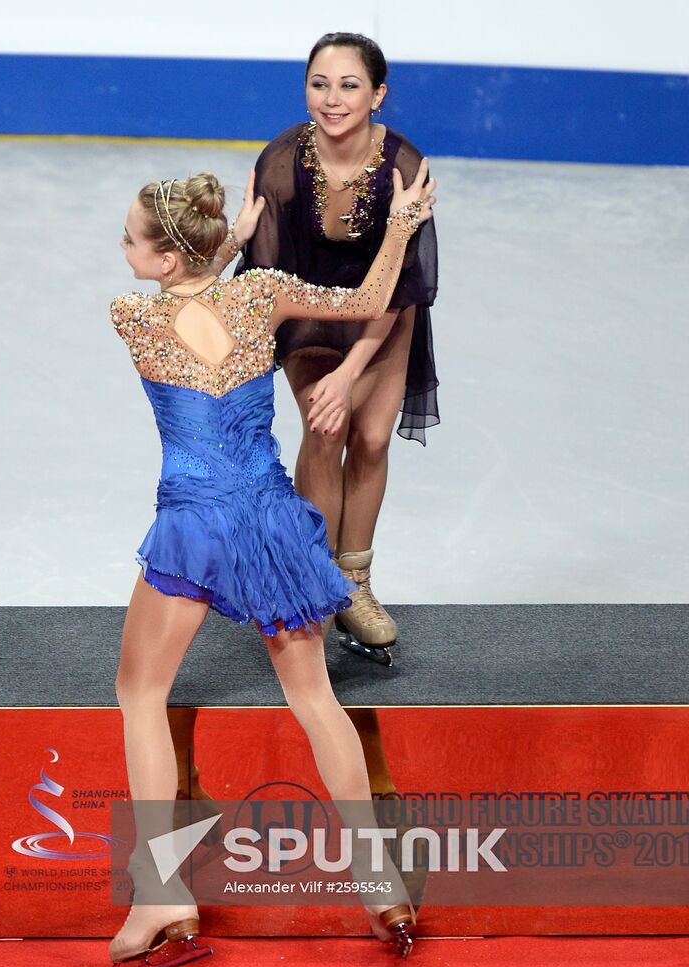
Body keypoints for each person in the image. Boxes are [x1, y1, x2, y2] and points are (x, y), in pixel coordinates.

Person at [107, 161, 435, 967]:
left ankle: (161, 897)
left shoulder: (130, 318)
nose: (122, 249)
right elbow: (367, 304)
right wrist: (399, 226)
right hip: (274, 522)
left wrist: (223, 254)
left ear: (166, 258)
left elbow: (187, 303)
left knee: (140, 693)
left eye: (131, 239)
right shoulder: (262, 295)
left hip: (197, 527)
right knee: (314, 698)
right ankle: (382, 887)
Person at [238, 31, 439, 665]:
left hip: (383, 318)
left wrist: (353, 370)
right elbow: (266, 282)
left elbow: (405, 285)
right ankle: (311, 583)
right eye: (319, 84)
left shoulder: (405, 166)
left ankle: (354, 585)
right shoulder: (281, 161)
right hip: (309, 316)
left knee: (373, 439)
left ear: (378, 94)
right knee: (325, 431)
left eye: (349, 85)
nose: (332, 98)